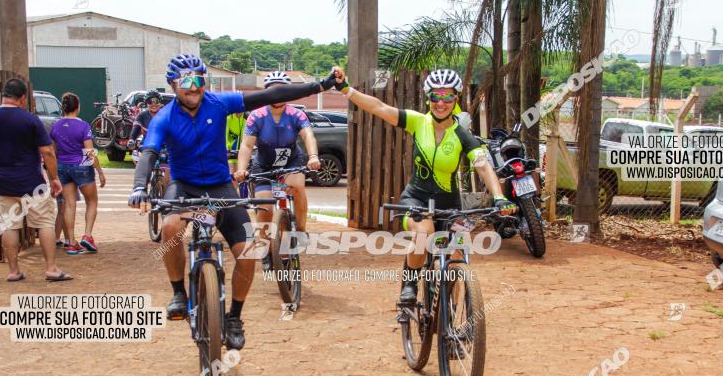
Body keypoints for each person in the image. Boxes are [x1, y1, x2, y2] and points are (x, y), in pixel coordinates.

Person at [128, 53, 339, 350]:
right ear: (173, 85)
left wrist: (320, 86)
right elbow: (149, 153)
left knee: (249, 251)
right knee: (170, 228)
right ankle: (178, 292)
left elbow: (271, 94)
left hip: (221, 186)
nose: (194, 87)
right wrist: (139, 187)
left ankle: (234, 317)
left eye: (199, 80)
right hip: (183, 187)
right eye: (186, 81)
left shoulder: (218, 103)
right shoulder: (164, 117)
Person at [331, 68, 516, 302]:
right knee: (423, 234)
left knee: (457, 254)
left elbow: (482, 165)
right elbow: (378, 107)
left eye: (447, 97)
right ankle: (410, 284)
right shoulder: (418, 122)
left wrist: (499, 197)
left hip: (450, 204)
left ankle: (451, 317)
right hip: (416, 199)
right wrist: (347, 89)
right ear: (428, 98)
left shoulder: (461, 135)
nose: (441, 103)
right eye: (435, 97)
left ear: (456, 98)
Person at [0, 78, 72, 282]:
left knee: (9, 225)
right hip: (32, 183)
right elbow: (47, 151)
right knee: (44, 222)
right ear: (23, 98)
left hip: (3, 183)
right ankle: (51, 268)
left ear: (4, 96)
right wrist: (54, 178)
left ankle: (14, 271)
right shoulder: (30, 120)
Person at [234, 71, 321, 240]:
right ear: (265, 93)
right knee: (265, 205)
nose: (278, 95)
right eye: (273, 91)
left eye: (282, 90)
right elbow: (246, 145)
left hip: (292, 162)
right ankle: (266, 247)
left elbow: (308, 135)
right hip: (264, 165)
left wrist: (313, 157)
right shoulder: (256, 116)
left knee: (297, 187)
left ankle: (301, 229)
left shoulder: (297, 115)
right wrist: (241, 170)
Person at [50, 92, 106, 255]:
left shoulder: (56, 126)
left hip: (63, 166)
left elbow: (53, 151)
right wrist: (100, 171)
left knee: (69, 204)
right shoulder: (83, 126)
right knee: (92, 202)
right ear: (78, 107)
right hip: (81, 165)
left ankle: (72, 242)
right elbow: (89, 152)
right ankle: (87, 236)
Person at [128, 90, 169, 192]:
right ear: (146, 104)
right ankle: (142, 191)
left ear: (160, 103)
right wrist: (131, 140)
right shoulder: (142, 115)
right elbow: (136, 128)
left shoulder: (167, 114)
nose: (153, 104)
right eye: (150, 102)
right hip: (148, 146)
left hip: (165, 146)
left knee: (168, 175)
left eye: (156, 101)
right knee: (144, 169)